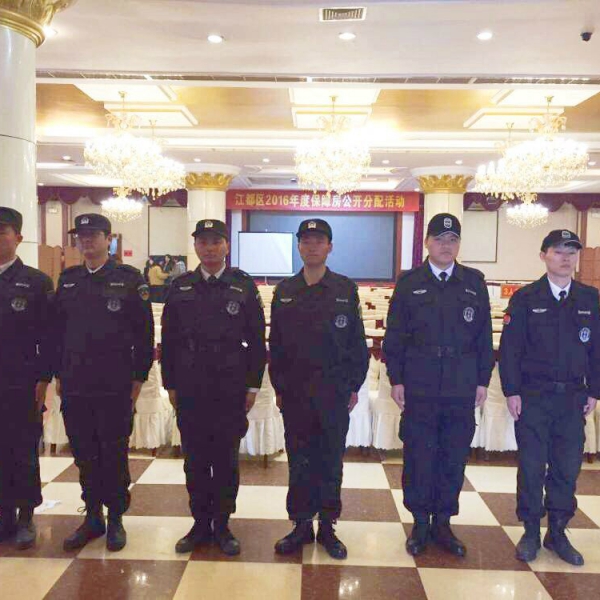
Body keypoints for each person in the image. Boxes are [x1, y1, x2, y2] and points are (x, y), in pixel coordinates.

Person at [383, 213, 493, 557]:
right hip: (420, 381)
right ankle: (420, 522)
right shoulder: (409, 282)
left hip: (461, 382)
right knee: (419, 454)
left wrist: (483, 380)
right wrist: (396, 378)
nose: (446, 246)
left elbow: (483, 337)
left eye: (453, 240)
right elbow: (395, 335)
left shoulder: (473, 282)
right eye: (440, 239)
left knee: (453, 455)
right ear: (427, 242)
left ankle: (443, 522)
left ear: (458, 244)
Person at [161, 219, 266, 556]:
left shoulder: (243, 286)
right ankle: (199, 523)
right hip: (190, 385)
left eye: (215, 242)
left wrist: (253, 386)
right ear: (195, 246)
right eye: (203, 242)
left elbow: (257, 340)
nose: (209, 248)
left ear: (226, 246)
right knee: (194, 460)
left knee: (225, 460)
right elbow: (169, 340)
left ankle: (222, 524)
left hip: (229, 385)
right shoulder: (180, 287)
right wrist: (170, 384)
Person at [54, 213, 154, 552]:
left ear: (108, 239)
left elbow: (144, 335)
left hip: (114, 383)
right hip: (76, 382)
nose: (87, 240)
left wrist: (138, 378)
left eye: (94, 235)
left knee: (113, 451)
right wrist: (59, 374)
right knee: (84, 452)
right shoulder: (69, 280)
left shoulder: (129, 279)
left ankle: (116, 518)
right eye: (81, 236)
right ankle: (93, 515)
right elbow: (57, 332)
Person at [270, 218, 368, 560]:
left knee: (330, 460)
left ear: (330, 247)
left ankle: (327, 526)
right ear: (299, 246)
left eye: (319, 241)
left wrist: (353, 385)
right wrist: (279, 387)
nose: (312, 246)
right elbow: (276, 345)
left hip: (333, 392)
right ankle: (300, 525)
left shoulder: (344, 289)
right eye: (306, 241)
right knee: (299, 460)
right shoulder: (285, 290)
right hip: (295, 392)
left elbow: (357, 343)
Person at [499, 229, 599, 566]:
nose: (565, 258)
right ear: (543, 256)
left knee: (566, 468)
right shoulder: (526, 298)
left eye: (571, 252)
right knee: (531, 467)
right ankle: (530, 530)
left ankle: (557, 531)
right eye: (558, 251)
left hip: (572, 398)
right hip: (534, 397)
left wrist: (595, 390)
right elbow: (510, 350)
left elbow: (597, 349)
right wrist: (511, 390)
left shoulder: (590, 298)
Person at [0, 207, 54, 550]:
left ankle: (25, 515)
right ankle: (3, 514)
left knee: (22, 449)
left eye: (2, 231)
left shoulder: (36, 282)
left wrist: (43, 379)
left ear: (18, 238)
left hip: (21, 381)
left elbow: (49, 337)